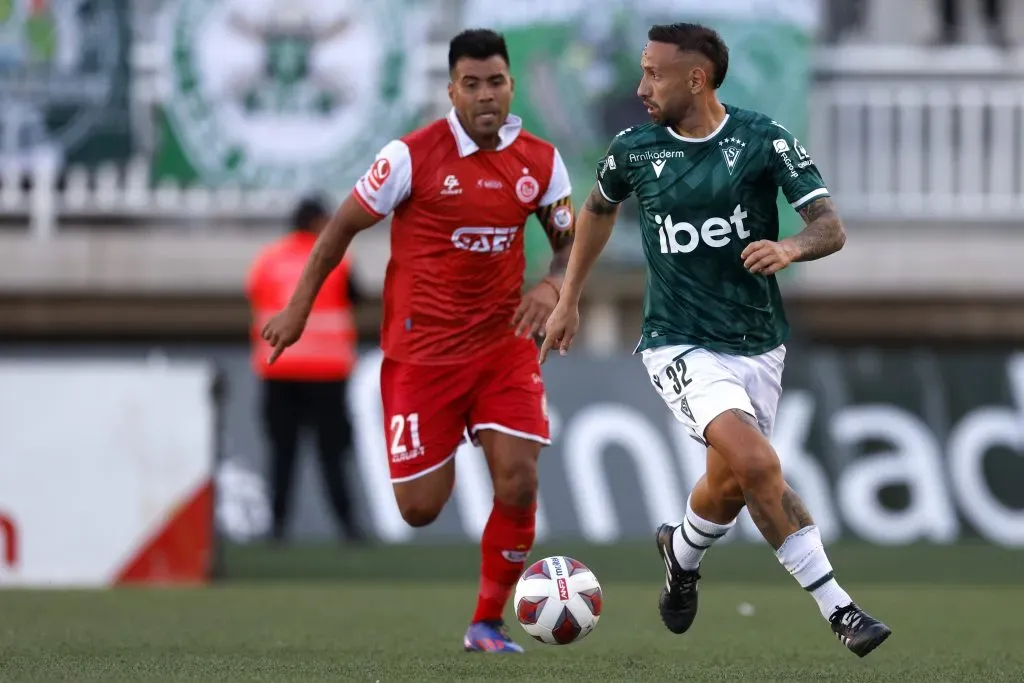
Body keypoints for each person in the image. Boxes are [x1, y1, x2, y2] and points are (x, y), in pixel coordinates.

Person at [540, 23, 892, 657]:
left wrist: (789, 246)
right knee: (758, 464)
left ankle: (681, 551)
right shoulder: (634, 149)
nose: (641, 85)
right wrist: (569, 297)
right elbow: (597, 209)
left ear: (695, 79)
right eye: (641, 70)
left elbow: (829, 226)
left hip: (759, 342)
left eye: (654, 73)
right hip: (677, 341)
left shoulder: (762, 139)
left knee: (729, 485)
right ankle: (841, 610)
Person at [260, 29, 576, 653]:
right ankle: (449, 434)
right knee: (420, 509)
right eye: (472, 84)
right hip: (422, 355)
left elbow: (568, 241)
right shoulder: (410, 156)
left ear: (511, 85)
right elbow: (339, 230)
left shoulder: (541, 161)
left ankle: (486, 622)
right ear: (452, 90)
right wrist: (298, 309)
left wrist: (553, 285)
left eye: (496, 82)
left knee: (517, 479)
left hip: (502, 345)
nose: (486, 96)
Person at [245, 195, 366, 544]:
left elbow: (254, 298)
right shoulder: (336, 258)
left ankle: (277, 528)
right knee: (332, 455)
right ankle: (348, 528)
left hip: (279, 371)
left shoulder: (267, 260)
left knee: (282, 454)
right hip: (327, 373)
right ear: (316, 222)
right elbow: (355, 297)